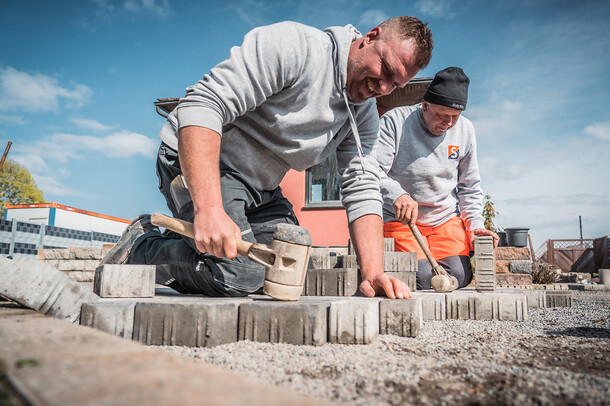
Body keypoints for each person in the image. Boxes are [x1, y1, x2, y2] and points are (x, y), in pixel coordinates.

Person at [102, 17, 433, 299]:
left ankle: (188, 237)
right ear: (370, 37)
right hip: (195, 161)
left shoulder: (362, 116)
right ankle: (142, 248)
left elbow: (362, 187)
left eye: (396, 83)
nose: (384, 87)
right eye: (385, 69)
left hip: (258, 188)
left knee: (290, 272)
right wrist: (210, 209)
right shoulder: (296, 49)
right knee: (238, 274)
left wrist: (373, 273)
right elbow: (200, 107)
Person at [374, 67, 499, 290]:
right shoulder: (395, 121)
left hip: (444, 219)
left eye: (454, 116)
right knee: (419, 277)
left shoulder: (466, 130)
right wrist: (397, 194)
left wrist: (476, 226)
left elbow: (469, 186)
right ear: (424, 105)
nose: (448, 123)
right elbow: (373, 171)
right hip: (401, 220)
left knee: (459, 275)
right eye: (441, 114)